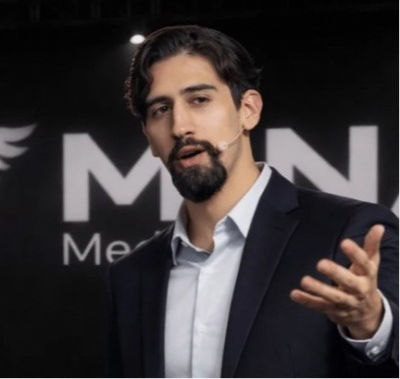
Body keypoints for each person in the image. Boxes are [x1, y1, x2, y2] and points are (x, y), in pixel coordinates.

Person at [106, 24, 399, 378]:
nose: (179, 126)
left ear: (248, 109)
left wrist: (371, 326)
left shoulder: (348, 232)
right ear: (149, 137)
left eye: (199, 99)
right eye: (161, 109)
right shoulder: (131, 276)